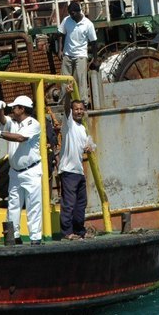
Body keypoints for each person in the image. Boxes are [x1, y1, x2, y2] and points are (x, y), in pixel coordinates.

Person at [0, 95, 43, 245]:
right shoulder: (14, 122)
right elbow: (4, 120)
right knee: (13, 205)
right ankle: (14, 236)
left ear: (22, 109)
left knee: (33, 205)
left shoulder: (33, 124)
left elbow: (20, 138)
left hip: (31, 171)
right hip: (15, 171)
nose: (12, 110)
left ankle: (35, 238)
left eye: (15, 107)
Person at [59, 97, 95, 240]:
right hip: (68, 171)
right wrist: (68, 94)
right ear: (72, 111)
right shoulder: (69, 124)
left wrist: (89, 147)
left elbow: (87, 145)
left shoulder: (82, 129)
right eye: (76, 109)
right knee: (68, 204)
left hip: (79, 171)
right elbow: (66, 107)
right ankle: (67, 233)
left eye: (81, 109)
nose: (79, 111)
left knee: (81, 203)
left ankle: (79, 231)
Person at [57, 1, 99, 105]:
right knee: (64, 80)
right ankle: (64, 102)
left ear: (78, 12)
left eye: (72, 14)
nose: (71, 16)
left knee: (80, 80)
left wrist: (95, 59)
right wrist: (60, 50)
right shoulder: (67, 20)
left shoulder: (88, 24)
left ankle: (83, 103)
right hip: (67, 55)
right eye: (69, 14)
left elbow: (94, 42)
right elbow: (61, 34)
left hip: (80, 56)